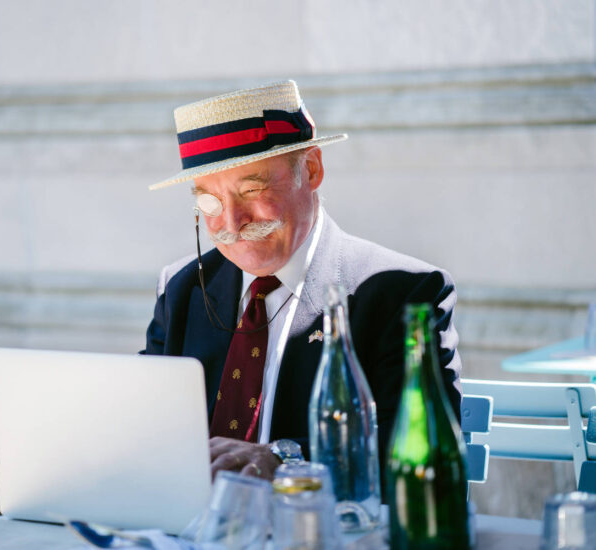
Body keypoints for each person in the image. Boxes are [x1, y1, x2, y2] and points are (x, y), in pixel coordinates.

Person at [143, 80, 462, 483]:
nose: (231, 222)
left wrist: (284, 460)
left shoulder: (403, 293)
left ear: (311, 170)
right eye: (209, 201)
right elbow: (145, 426)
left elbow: (420, 452)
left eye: (252, 189)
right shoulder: (182, 289)